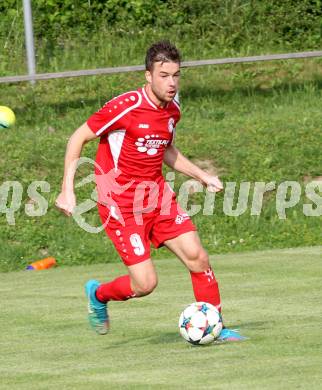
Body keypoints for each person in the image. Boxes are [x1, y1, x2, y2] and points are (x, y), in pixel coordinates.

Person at [55, 40, 245, 342]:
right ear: (148, 76)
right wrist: (68, 190)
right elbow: (78, 138)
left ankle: (216, 326)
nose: (171, 83)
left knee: (198, 257)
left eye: (176, 75)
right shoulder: (125, 107)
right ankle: (99, 294)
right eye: (164, 75)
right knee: (145, 284)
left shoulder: (173, 109)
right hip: (119, 202)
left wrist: (201, 175)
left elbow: (165, 149)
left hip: (157, 196)